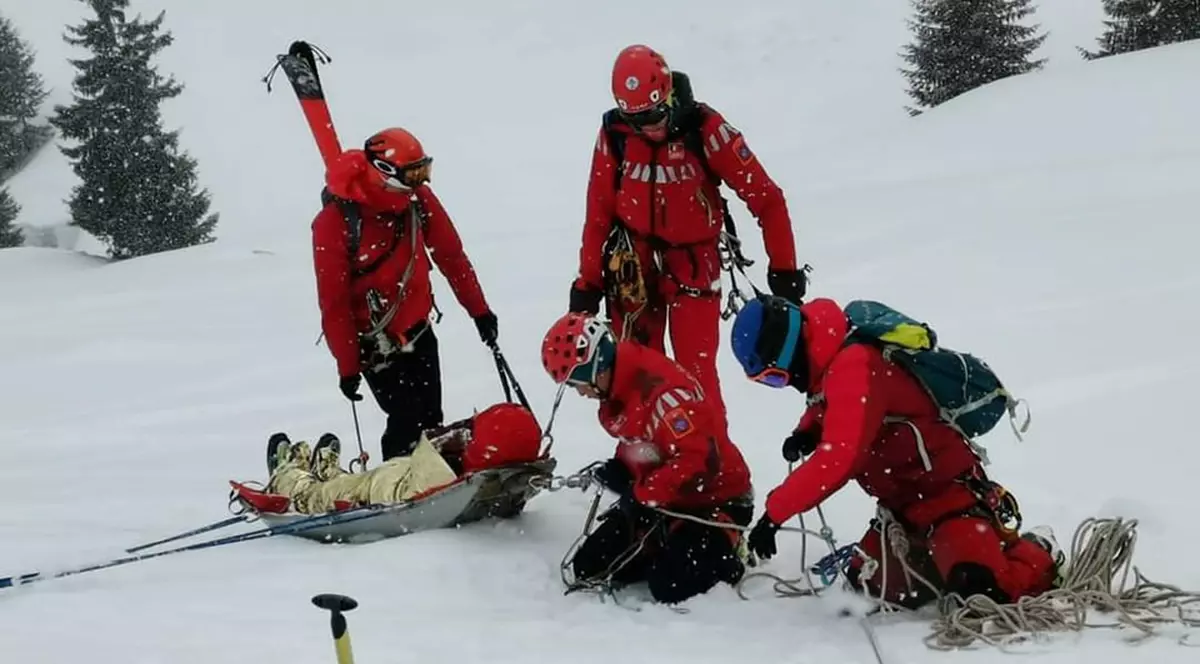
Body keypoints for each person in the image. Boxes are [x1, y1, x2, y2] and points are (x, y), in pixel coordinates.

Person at [729, 294, 1065, 608]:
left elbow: (839, 458)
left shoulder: (855, 363)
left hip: (947, 498)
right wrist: (808, 431)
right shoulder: (832, 359)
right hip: (903, 512)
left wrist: (774, 514)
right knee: (870, 586)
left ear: (788, 350)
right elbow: (827, 401)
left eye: (775, 376)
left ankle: (1039, 551)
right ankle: (952, 556)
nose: (785, 384)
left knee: (978, 593)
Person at [567, 44, 807, 437]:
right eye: (637, 118)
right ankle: (644, 460)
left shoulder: (706, 129)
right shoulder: (615, 134)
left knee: (694, 375)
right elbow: (598, 215)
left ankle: (713, 463)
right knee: (632, 373)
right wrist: (587, 284)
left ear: (668, 96)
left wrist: (784, 269)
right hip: (632, 266)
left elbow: (767, 199)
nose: (649, 127)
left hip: (694, 265)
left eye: (655, 115)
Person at [539, 311, 754, 604]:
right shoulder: (620, 386)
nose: (579, 393)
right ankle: (666, 541)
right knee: (589, 566)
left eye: (577, 383)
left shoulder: (666, 396)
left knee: (669, 585)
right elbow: (645, 441)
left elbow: (699, 459)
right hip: (665, 501)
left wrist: (643, 495)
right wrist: (624, 467)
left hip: (715, 499)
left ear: (595, 369)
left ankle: (730, 547)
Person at [312, 127, 499, 461]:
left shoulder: (417, 200)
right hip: (376, 346)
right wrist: (348, 365)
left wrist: (479, 311)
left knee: (430, 420)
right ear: (384, 171)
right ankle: (398, 491)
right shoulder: (334, 222)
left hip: (419, 332)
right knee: (405, 421)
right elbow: (334, 302)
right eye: (413, 173)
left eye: (423, 170)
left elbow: (451, 256)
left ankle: (433, 483)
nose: (421, 182)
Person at [257, 403, 543, 515]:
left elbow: (428, 442)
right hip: (396, 473)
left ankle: (287, 476)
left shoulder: (440, 476)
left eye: (472, 432)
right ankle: (331, 474)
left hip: (375, 491)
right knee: (353, 480)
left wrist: (448, 439)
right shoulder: (486, 475)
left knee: (318, 495)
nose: (466, 431)